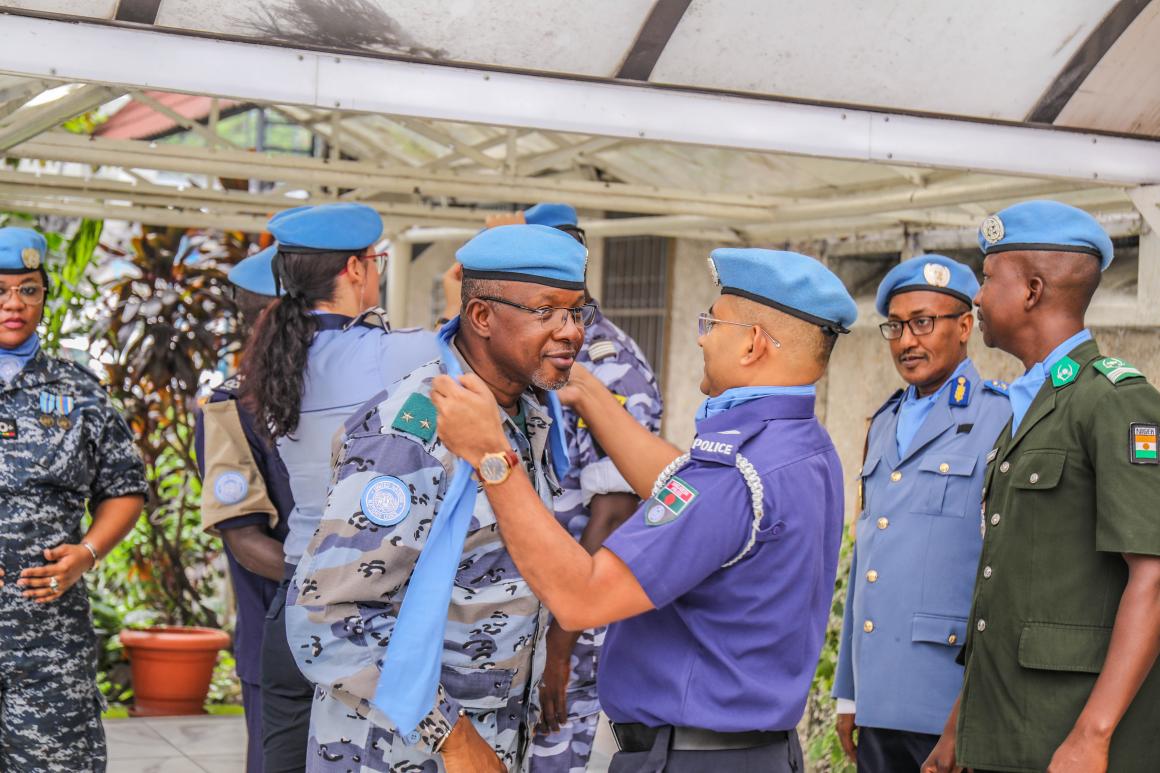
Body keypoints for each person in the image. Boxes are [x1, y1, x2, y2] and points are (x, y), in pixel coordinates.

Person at [432, 247, 857, 772]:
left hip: (693, 760)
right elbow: (683, 490)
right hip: (747, 751)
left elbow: (583, 597)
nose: (701, 337)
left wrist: (492, 456)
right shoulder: (799, 446)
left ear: (752, 343)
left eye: (712, 323)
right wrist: (587, 392)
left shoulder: (733, 475)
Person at [285, 223, 589, 773]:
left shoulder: (531, 416)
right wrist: (453, 739)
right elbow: (327, 613)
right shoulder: (412, 434)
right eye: (546, 311)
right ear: (481, 316)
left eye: (576, 311)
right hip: (397, 749)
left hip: (492, 732)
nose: (570, 331)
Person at [922, 201, 1160, 773]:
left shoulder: (1114, 401)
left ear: (1032, 291)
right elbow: (1009, 590)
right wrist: (961, 726)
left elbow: (1153, 577)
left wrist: (1092, 736)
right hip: (1009, 737)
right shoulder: (1032, 406)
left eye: (987, 279)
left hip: (1070, 739)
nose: (977, 298)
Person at [442, 202, 666, 772]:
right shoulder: (516, 359)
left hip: (567, 627)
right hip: (510, 628)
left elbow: (614, 512)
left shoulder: (606, 365)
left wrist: (560, 648)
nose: (565, 326)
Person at [238, 204, 439, 772]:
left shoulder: (275, 364)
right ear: (355, 269)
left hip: (292, 599)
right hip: (367, 606)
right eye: (375, 262)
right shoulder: (395, 352)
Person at [832, 255, 1011, 771]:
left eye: (923, 323)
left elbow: (1007, 573)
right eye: (896, 326)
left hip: (950, 699)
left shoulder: (1003, 416)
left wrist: (976, 709)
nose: (907, 340)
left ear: (965, 327)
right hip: (878, 697)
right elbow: (868, 558)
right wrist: (849, 692)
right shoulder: (883, 422)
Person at [0, 227, 147, 771]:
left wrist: (87, 553)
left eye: (28, 289)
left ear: (44, 294)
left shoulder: (80, 390)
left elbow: (124, 487)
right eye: (0, 290)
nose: (15, 303)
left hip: (49, 639)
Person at [195, 245, 295, 773]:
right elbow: (245, 541)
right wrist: (342, 581)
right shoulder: (233, 408)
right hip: (278, 638)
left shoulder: (343, 396)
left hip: (360, 641)